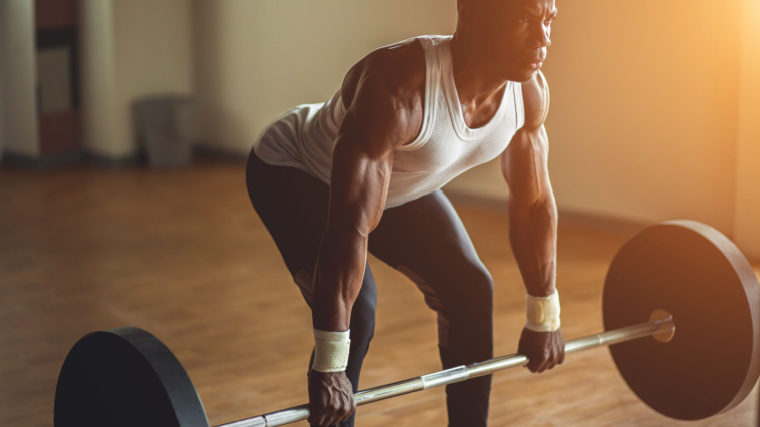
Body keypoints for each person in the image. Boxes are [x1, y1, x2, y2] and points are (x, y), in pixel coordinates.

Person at [245, 0, 563, 425]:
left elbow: (534, 205)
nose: (543, 40)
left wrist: (544, 313)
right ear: (471, 13)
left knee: (470, 289)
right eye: (524, 20)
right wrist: (329, 364)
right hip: (294, 172)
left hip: (393, 187)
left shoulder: (529, 93)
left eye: (548, 20)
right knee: (355, 314)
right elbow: (351, 225)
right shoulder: (398, 87)